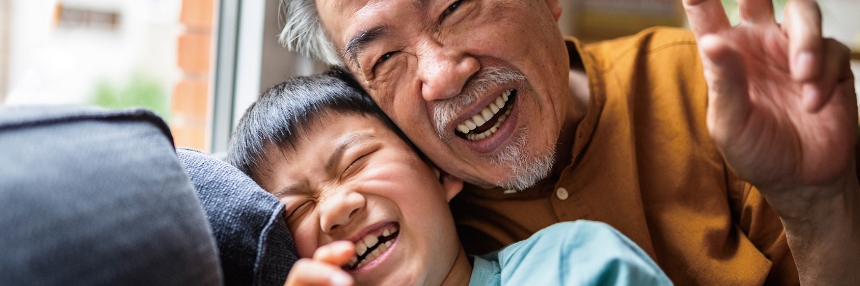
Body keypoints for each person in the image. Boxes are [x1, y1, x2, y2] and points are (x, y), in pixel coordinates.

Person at [277, 0, 860, 285]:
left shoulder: (713, 92)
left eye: (455, 7)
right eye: (384, 58)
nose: (443, 74)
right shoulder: (409, 235)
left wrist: (816, 202)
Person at [226, 70, 674, 286]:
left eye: (356, 161)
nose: (337, 207)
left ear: (439, 168)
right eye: (298, 210)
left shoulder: (570, 266)